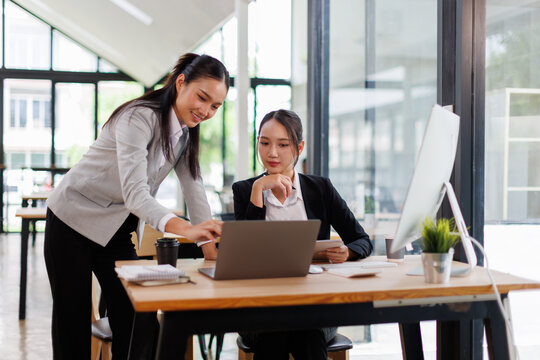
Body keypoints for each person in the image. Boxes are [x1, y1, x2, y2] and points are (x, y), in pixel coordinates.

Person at [44, 53, 229, 359]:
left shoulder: (185, 134)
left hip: (115, 230)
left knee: (137, 317)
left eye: (215, 106)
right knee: (72, 322)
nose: (206, 110)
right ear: (181, 82)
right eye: (202, 97)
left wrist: (211, 250)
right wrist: (188, 229)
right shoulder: (138, 117)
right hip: (72, 220)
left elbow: (195, 190)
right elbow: (136, 195)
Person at [232, 109, 373, 360]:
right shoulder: (245, 190)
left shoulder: (321, 189)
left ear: (299, 147)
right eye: (264, 143)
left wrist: (348, 251)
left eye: (283, 145)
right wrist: (258, 189)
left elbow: (362, 240)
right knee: (283, 332)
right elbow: (242, 256)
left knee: (304, 331)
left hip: (314, 305)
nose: (272, 153)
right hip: (260, 308)